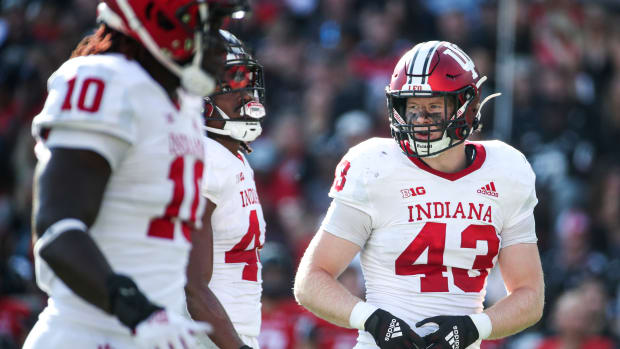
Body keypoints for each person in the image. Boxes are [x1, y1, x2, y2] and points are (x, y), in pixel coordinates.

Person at [23, 0, 248, 348]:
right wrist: (140, 311)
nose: (219, 40)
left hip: (153, 334)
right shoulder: (106, 80)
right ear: (165, 21)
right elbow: (57, 230)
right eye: (209, 23)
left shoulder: (181, 104)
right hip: (89, 335)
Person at [294, 40, 545, 349]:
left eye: (433, 107)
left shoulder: (505, 169)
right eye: (411, 106)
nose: (420, 118)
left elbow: (530, 295)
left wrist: (474, 327)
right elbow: (310, 280)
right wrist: (372, 320)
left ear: (466, 106)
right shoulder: (376, 166)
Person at [186, 30, 266, 349]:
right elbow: (191, 286)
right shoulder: (203, 156)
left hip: (228, 336)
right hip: (206, 339)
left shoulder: (233, 159)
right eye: (233, 82)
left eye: (247, 80)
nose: (248, 94)